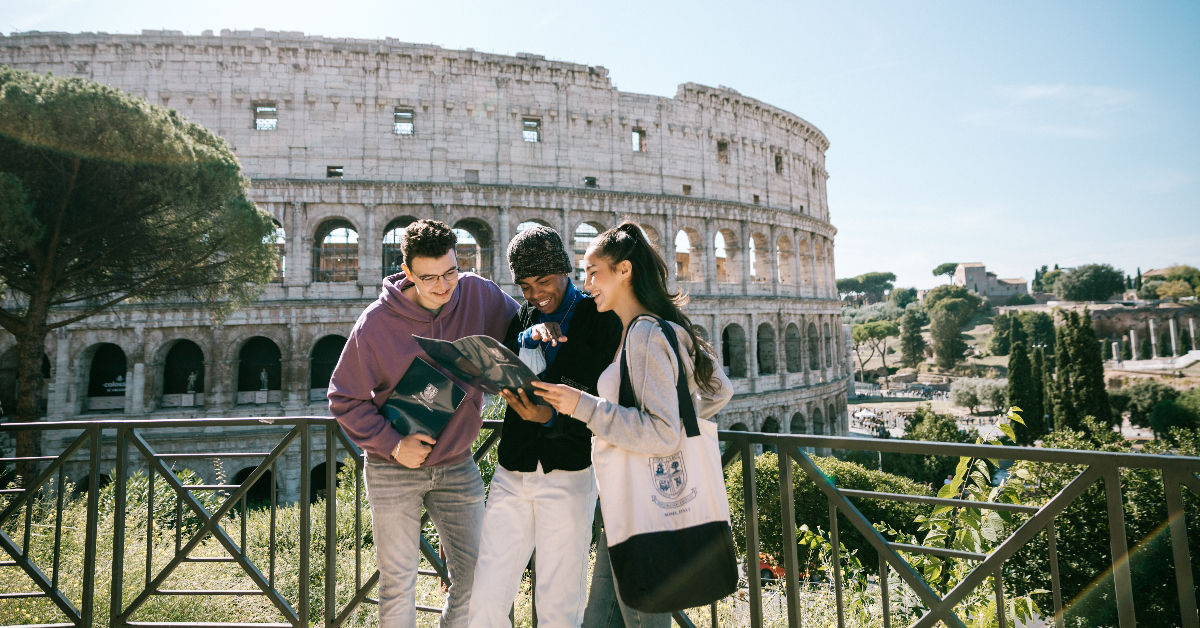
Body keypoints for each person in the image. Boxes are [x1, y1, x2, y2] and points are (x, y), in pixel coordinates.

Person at [532, 223, 733, 628]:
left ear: (624, 270)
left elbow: (661, 434)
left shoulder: (642, 335)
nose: (585, 284)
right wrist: (680, 422)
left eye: (592, 272)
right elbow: (718, 392)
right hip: (628, 502)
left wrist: (584, 406)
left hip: (644, 504)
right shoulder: (663, 325)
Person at [329, 219, 519, 628]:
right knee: (398, 584)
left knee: (477, 578)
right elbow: (344, 398)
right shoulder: (376, 323)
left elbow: (517, 332)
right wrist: (394, 445)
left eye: (451, 271)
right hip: (392, 468)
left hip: (457, 464)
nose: (443, 285)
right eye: (429, 277)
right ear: (409, 274)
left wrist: (537, 332)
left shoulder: (477, 294)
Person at [468, 226, 622, 628]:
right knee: (484, 600)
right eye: (525, 285)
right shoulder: (524, 316)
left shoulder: (600, 317)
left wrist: (549, 417)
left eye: (544, 281)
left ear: (565, 271)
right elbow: (505, 370)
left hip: (568, 472)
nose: (536, 294)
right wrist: (523, 341)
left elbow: (602, 399)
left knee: (559, 604)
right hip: (511, 470)